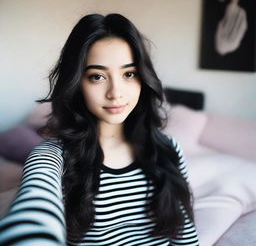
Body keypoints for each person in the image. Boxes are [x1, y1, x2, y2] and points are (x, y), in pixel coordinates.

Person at [0, 13, 199, 246]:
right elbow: (33, 210)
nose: (115, 92)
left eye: (129, 74)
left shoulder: (168, 149)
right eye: (97, 76)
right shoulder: (51, 157)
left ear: (143, 78)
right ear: (76, 83)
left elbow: (184, 237)